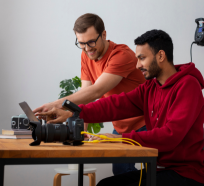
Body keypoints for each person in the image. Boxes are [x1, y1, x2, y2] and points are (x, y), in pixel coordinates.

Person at [36, 29, 204, 186]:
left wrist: (119, 138)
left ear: (161, 56)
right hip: (159, 168)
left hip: (186, 173)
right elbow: (114, 105)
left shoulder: (188, 85)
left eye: (142, 58)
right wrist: (71, 113)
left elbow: (170, 135)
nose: (138, 65)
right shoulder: (150, 88)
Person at [33, 13, 146, 175]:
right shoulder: (86, 56)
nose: (87, 48)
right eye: (81, 43)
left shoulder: (122, 55)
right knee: (121, 173)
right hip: (120, 127)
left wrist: (54, 104)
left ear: (104, 35)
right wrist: (79, 133)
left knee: (132, 175)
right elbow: (84, 96)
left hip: (145, 123)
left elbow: (96, 91)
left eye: (91, 42)